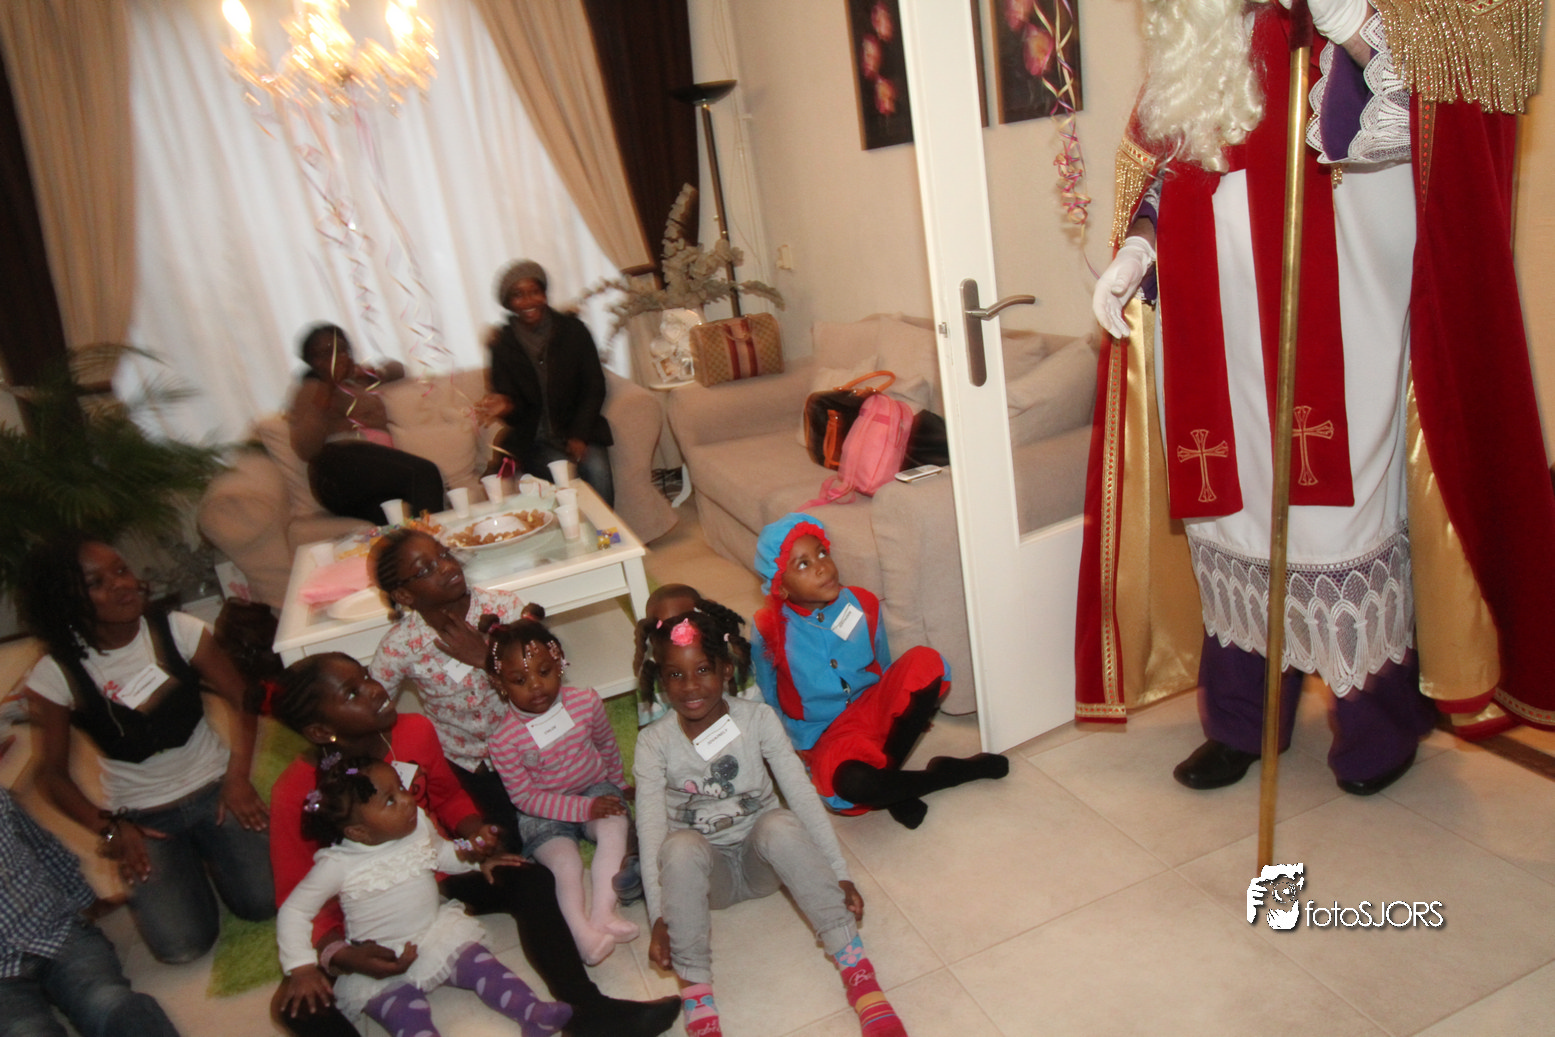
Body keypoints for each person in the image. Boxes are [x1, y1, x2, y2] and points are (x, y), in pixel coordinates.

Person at [1078, 0, 1555, 792]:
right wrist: (1138, 246)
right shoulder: (1198, 29)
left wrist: (1354, 28)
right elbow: (1169, 161)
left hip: (1335, 316)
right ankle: (1241, 720)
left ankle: (1377, 727)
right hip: (1221, 335)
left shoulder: (1334, 17)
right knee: (1232, 517)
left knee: (1339, 521)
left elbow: (1425, 122)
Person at [266, 653, 681, 1037]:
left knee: (530, 878)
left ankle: (587, 1011)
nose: (375, 690)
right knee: (295, 1005)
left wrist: (477, 839)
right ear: (320, 731)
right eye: (353, 693)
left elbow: (447, 797)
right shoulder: (293, 793)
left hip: (434, 871)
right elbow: (296, 895)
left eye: (368, 677)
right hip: (359, 918)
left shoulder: (413, 731)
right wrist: (336, 953)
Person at [636, 609, 909, 1037]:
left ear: (726, 670)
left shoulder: (758, 719)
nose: (689, 686)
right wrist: (660, 916)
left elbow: (801, 795)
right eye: (675, 675)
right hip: (707, 878)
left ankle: (860, 977)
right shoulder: (653, 742)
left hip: (762, 861)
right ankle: (699, 1004)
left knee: (780, 822)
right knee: (678, 846)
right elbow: (651, 829)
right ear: (661, 682)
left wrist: (837, 874)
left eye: (703, 670)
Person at [18, 536, 273, 964]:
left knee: (266, 901)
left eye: (121, 570)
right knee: (182, 947)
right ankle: (190, 860)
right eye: (97, 582)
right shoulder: (54, 673)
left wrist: (237, 777)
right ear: (67, 600)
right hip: (141, 816)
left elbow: (243, 700)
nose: (121, 584)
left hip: (215, 790)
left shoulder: (178, 629)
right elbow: (52, 776)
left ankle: (208, 853)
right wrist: (110, 829)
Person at [276, 755, 569, 1037]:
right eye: (390, 800)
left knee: (484, 967)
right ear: (358, 832)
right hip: (381, 960)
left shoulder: (417, 824)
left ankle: (532, 1012)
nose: (407, 800)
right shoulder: (337, 865)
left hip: (434, 933)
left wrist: (472, 853)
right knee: (405, 1016)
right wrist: (300, 967)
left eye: (401, 788)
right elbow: (295, 911)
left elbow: (441, 854)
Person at [751, 513, 1008, 829]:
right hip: (826, 735)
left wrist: (904, 707)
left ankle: (891, 785)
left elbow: (883, 663)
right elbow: (767, 696)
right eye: (803, 564)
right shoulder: (768, 628)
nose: (821, 567)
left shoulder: (863, 602)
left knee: (926, 663)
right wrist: (788, 749)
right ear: (780, 587)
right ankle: (948, 774)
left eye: (822, 553)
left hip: (872, 706)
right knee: (852, 785)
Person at [368, 527, 542, 844]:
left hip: (529, 749)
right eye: (426, 569)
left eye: (445, 554)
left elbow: (545, 677)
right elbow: (371, 705)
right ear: (404, 596)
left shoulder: (503, 608)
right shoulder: (402, 644)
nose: (448, 567)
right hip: (465, 764)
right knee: (500, 841)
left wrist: (486, 659)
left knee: (552, 823)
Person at [485, 619, 638, 965]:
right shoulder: (503, 740)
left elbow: (606, 743)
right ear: (499, 683)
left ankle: (603, 912)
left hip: (593, 787)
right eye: (519, 680)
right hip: (541, 812)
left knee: (616, 826)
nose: (536, 686)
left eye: (544, 672)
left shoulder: (586, 701)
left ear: (560, 664)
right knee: (566, 864)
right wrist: (584, 810)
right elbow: (524, 798)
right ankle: (581, 933)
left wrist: (617, 783)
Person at [0, 780, 181, 1037]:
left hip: (55, 929)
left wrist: (88, 901)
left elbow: (42, 848)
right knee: (25, 1030)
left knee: (109, 1002)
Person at [477, 260, 615, 506]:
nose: (528, 301)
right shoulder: (502, 344)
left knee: (598, 472)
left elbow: (594, 386)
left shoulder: (573, 331)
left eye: (534, 292)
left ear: (544, 294)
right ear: (508, 302)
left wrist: (580, 435)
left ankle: (609, 530)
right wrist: (506, 406)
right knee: (562, 478)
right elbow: (513, 412)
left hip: (580, 428)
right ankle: (576, 529)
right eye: (518, 295)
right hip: (534, 440)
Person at [286, 322, 445, 524]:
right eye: (325, 353)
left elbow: (398, 369)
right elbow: (305, 448)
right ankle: (432, 539)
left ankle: (415, 540)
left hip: (371, 472)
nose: (336, 357)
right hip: (337, 467)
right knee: (424, 474)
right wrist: (328, 387)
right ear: (312, 361)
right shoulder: (311, 388)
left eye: (341, 349)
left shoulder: (357, 382)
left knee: (393, 521)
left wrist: (372, 372)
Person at [633, 584, 757, 726]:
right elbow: (651, 730)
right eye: (665, 632)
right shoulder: (650, 676)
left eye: (685, 625)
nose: (676, 638)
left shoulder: (734, 663)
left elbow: (755, 714)